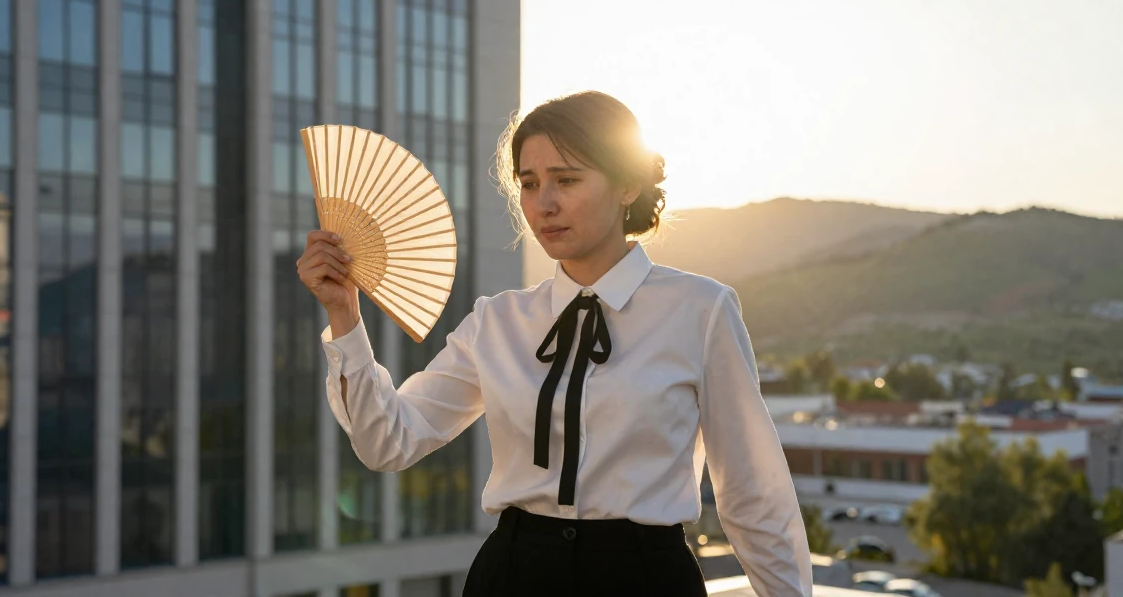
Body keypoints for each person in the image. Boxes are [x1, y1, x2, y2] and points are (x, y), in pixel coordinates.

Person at [297, 91, 812, 596]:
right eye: (529, 183)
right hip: (513, 576)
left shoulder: (700, 310)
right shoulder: (498, 320)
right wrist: (343, 313)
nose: (544, 204)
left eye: (567, 179)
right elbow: (389, 441)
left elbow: (752, 492)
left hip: (646, 579)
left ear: (627, 184)